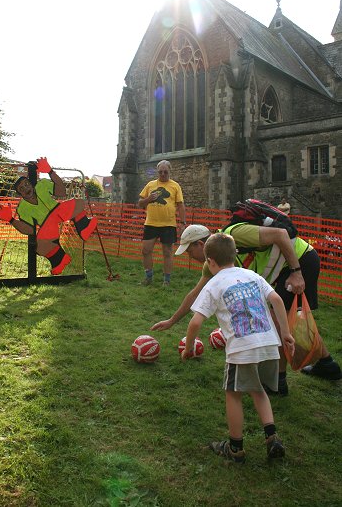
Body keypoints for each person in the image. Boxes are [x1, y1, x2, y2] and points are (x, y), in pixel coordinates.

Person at [151, 222, 341, 393]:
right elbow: (195, 295)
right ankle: (327, 364)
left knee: (278, 320)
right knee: (288, 320)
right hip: (286, 269)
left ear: (200, 245)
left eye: (189, 251)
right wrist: (171, 321)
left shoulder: (235, 234)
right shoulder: (213, 264)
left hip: (301, 260)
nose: (190, 257)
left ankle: (278, 382)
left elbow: (281, 234)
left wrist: (296, 272)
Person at [181, 233, 295, 463]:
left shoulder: (214, 284)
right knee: (259, 390)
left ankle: (235, 448)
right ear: (235, 255)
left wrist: (189, 348)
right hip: (269, 344)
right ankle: (272, 438)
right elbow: (278, 300)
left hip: (242, 349)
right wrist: (285, 333)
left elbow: (195, 322)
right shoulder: (252, 275)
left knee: (233, 394)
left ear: (210, 261)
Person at [0, 157, 97, 275]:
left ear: (31, 184)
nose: (26, 188)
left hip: (59, 212)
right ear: (20, 194)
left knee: (77, 203)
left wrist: (50, 171)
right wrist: (11, 219)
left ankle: (84, 228)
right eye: (22, 188)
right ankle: (60, 261)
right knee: (40, 245)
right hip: (47, 225)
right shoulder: (22, 208)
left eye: (26, 184)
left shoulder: (42, 185)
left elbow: (61, 192)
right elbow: (30, 229)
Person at [138, 160, 186, 286]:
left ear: (170, 171)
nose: (163, 174)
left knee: (167, 253)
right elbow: (140, 203)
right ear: (157, 172)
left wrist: (183, 222)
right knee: (146, 251)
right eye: (160, 172)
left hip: (168, 224)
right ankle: (148, 278)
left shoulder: (175, 186)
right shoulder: (150, 185)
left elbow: (180, 205)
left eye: (165, 172)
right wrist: (149, 199)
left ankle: (167, 281)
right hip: (151, 223)